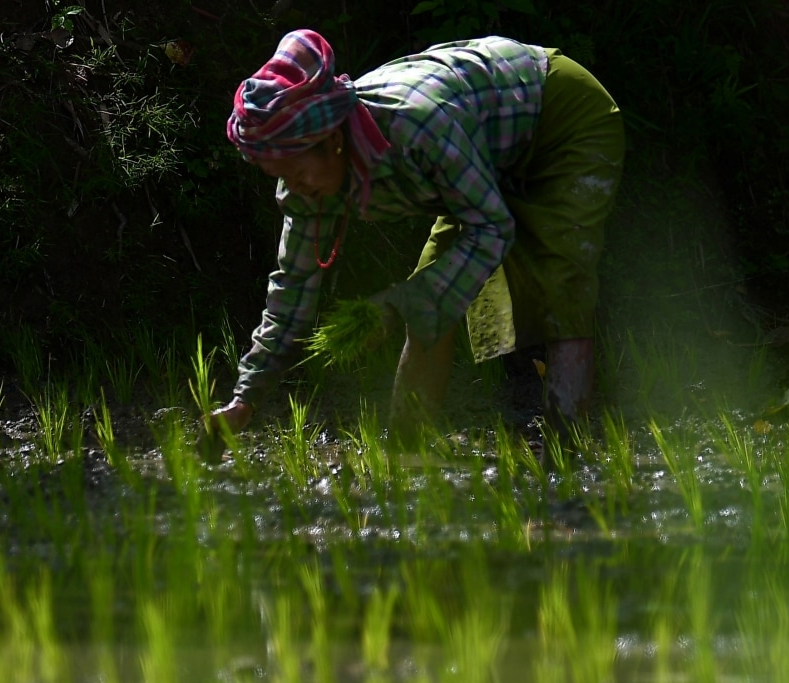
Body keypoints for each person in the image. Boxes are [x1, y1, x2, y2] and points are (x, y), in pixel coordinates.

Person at [208, 30, 624, 437]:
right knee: (429, 309)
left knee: (561, 283)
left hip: (556, 115)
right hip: (482, 154)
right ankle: (405, 454)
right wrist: (246, 398)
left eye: (296, 172)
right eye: (280, 176)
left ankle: (565, 457)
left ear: (332, 140)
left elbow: (492, 227)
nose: (291, 186)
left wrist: (396, 302)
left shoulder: (414, 126)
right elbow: (293, 286)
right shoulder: (306, 185)